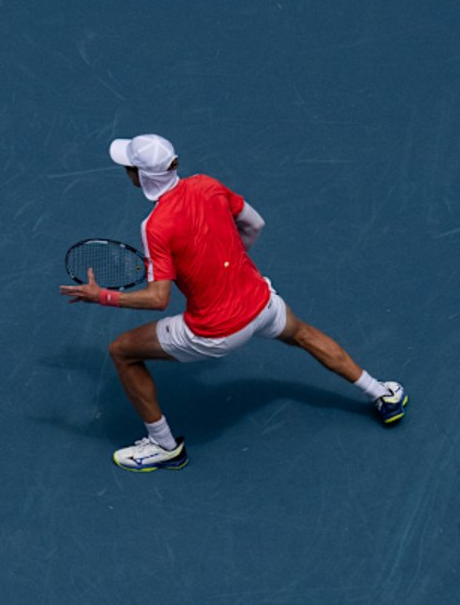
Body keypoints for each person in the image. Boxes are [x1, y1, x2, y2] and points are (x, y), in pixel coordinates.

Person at [59, 134, 406, 472]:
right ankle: (382, 395)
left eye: (128, 167)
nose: (126, 172)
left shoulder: (155, 226)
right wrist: (227, 266)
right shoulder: (207, 184)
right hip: (261, 303)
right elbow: (255, 224)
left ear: (141, 175)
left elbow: (158, 298)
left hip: (215, 332)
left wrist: (102, 296)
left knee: (122, 351)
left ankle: (164, 447)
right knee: (302, 334)